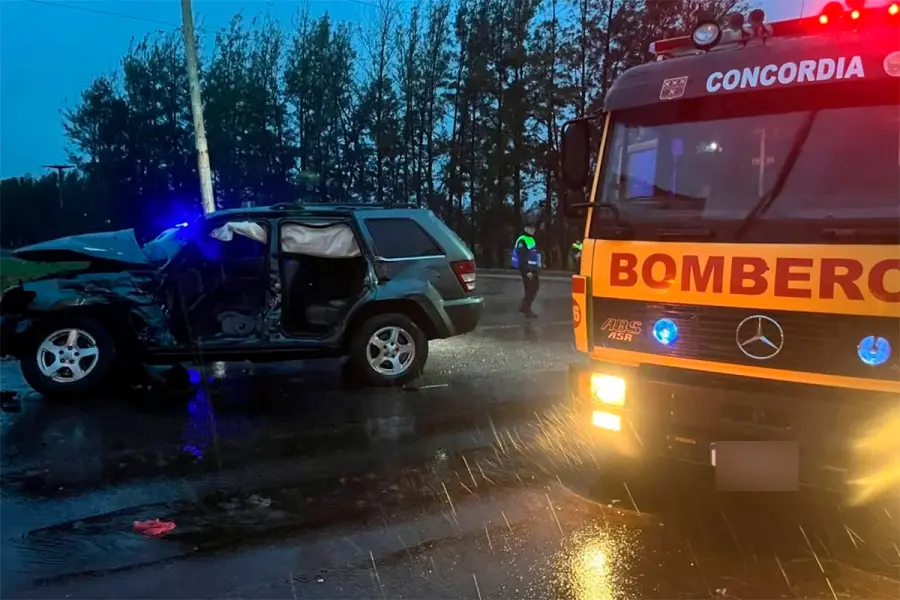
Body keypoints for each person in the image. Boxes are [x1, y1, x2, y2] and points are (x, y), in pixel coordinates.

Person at [511, 221, 541, 318]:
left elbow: (533, 254)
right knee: (531, 288)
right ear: (526, 229)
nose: (533, 230)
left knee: (532, 288)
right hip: (527, 269)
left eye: (534, 228)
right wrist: (527, 271)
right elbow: (522, 257)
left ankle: (525, 308)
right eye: (531, 228)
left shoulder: (530, 239)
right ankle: (526, 308)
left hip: (533, 268)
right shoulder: (522, 240)